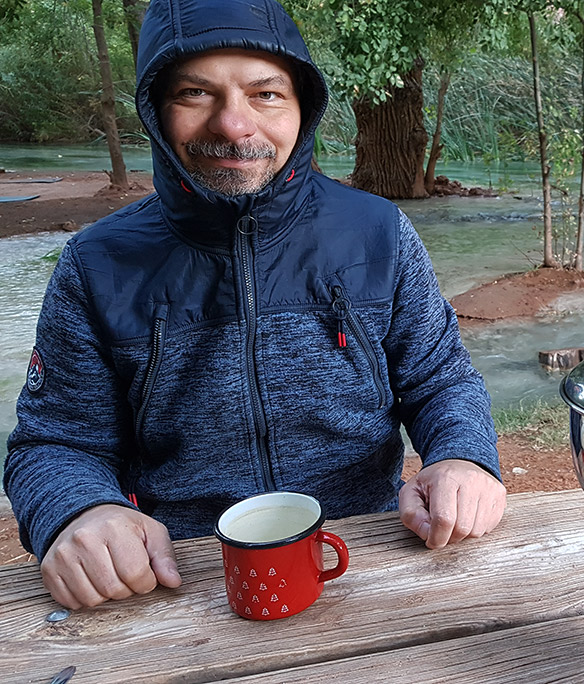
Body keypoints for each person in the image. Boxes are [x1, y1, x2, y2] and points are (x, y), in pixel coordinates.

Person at [3, 0, 506, 610]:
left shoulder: (377, 233)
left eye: (266, 94)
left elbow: (440, 379)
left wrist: (464, 457)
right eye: (195, 93)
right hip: (178, 578)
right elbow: (55, 442)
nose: (234, 125)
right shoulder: (97, 262)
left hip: (371, 553)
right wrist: (77, 512)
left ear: (303, 108)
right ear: (156, 111)